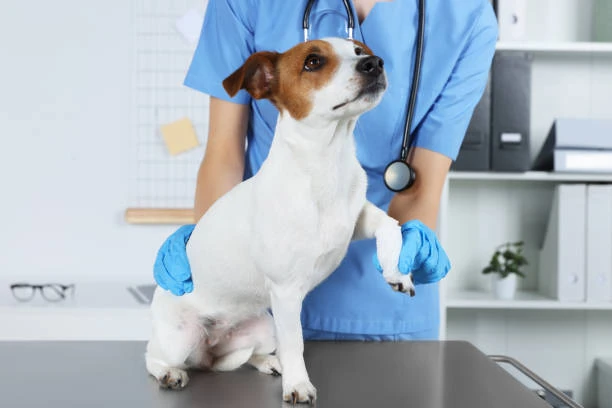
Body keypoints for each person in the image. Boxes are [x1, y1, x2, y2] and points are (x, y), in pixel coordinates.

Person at [154, 0, 498, 341]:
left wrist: (404, 247)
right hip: (259, 303)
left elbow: (420, 184)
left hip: (385, 309)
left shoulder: (467, 16)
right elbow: (224, 152)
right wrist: (207, 253)